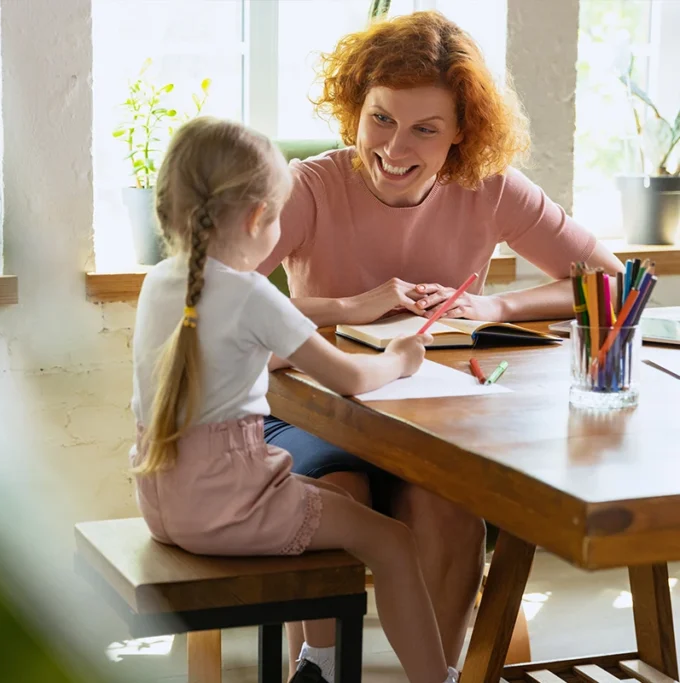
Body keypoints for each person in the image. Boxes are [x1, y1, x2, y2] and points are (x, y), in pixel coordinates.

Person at [258, 10, 625, 674]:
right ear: (356, 108)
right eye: (382, 119)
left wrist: (494, 303)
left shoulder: (487, 189)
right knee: (338, 490)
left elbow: (611, 283)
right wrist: (348, 307)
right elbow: (211, 302)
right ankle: (317, 664)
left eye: (426, 129)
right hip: (316, 410)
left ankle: (443, 673)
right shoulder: (309, 187)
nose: (396, 149)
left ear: (460, 134)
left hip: (431, 422)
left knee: (447, 506)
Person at [128, 115, 458, 683]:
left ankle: (316, 665)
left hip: (166, 503)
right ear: (259, 218)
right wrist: (400, 359)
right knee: (392, 540)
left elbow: (235, 350)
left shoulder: (161, 281)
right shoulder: (253, 293)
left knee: (334, 505)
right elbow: (351, 379)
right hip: (231, 505)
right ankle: (436, 679)